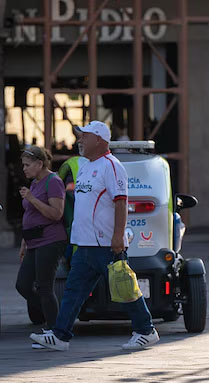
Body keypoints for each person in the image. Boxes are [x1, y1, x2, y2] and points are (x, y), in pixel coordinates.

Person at [30, 121, 159, 351]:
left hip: (106, 244)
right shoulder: (85, 165)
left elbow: (121, 202)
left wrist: (118, 236)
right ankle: (60, 336)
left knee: (124, 286)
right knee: (73, 291)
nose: (79, 140)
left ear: (99, 139)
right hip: (85, 243)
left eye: (84, 137)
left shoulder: (112, 166)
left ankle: (146, 331)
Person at [16, 146, 68, 348]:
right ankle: (58, 319)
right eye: (23, 165)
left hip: (50, 240)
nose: (24, 169)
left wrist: (31, 198)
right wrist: (24, 242)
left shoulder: (53, 182)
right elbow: (30, 216)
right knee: (22, 284)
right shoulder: (35, 182)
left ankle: (57, 332)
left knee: (44, 286)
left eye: (27, 165)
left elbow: (56, 214)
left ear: (40, 164)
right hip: (33, 241)